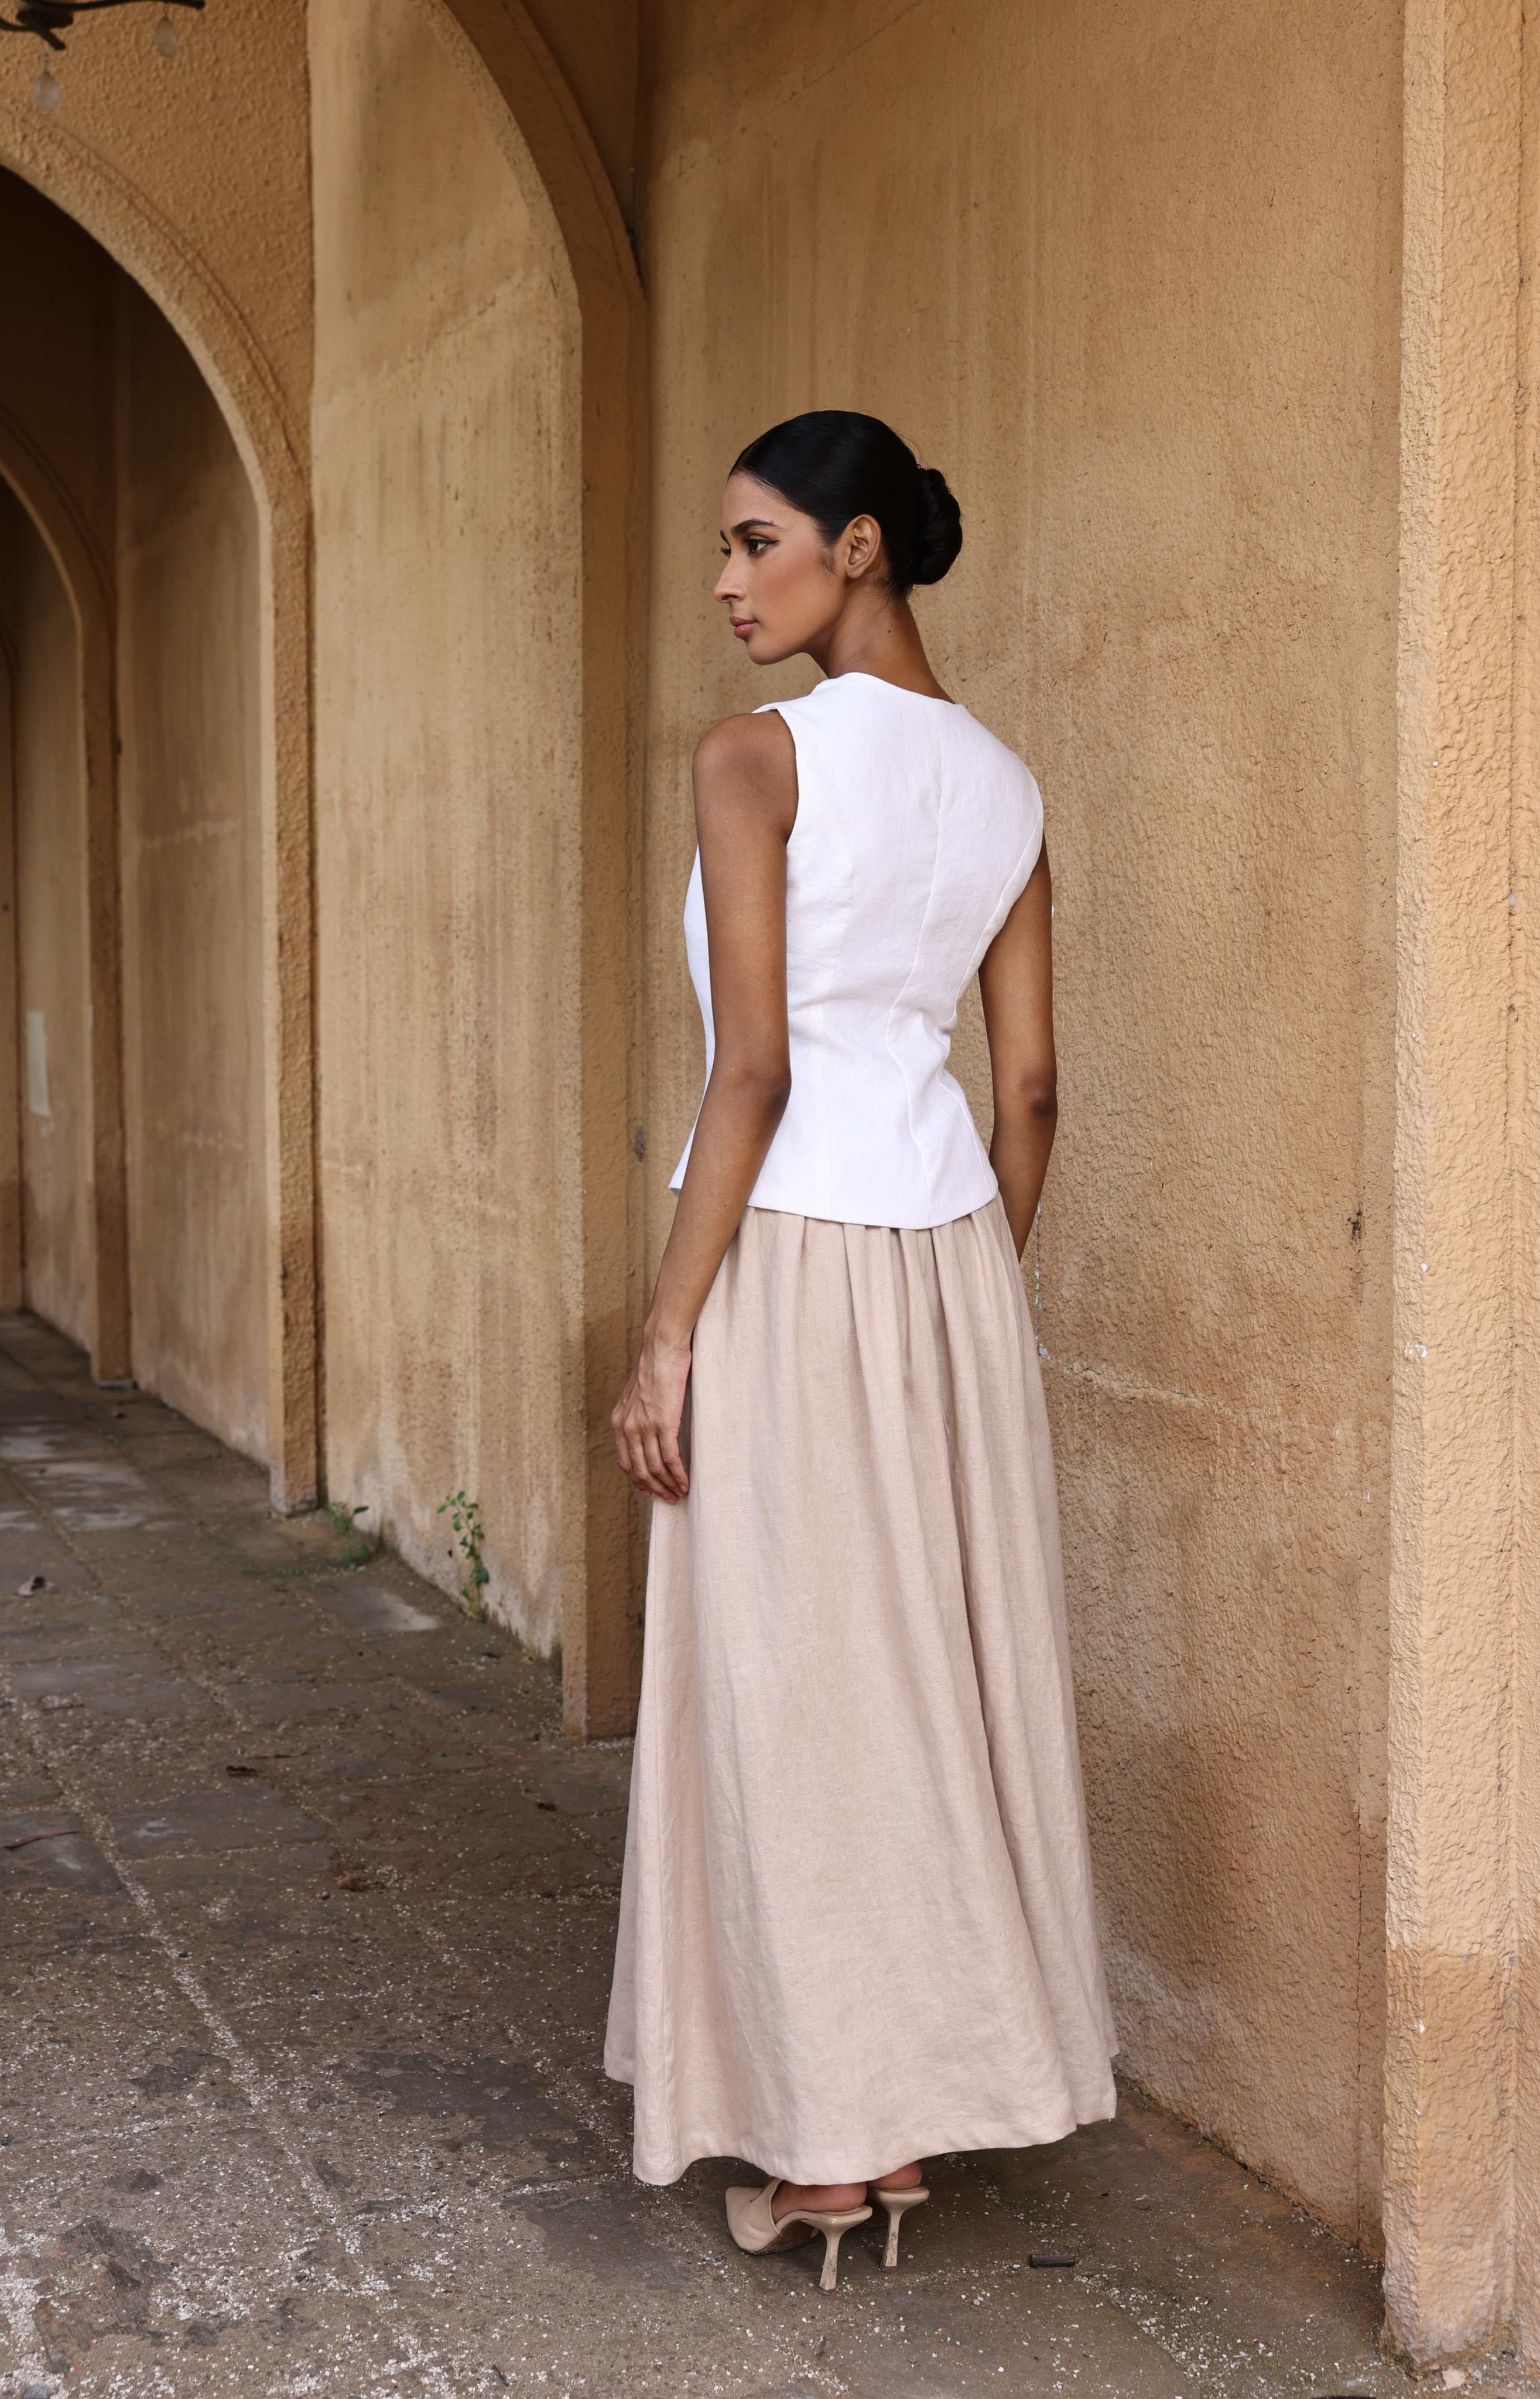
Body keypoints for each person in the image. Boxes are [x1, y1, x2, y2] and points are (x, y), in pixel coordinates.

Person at [604, 409, 1118, 2292]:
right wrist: (975, 1294)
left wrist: (670, 1332)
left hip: (788, 1249)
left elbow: (751, 1069)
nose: (730, 584)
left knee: (789, 1690)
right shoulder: (1007, 788)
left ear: (862, 546)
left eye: (757, 543)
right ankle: (894, 2119)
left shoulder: (754, 761)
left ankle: (829, 2158)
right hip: (951, 1261)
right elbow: (1038, 1089)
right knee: (922, 1687)